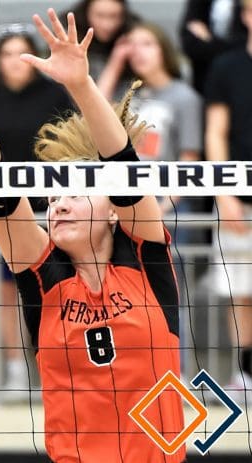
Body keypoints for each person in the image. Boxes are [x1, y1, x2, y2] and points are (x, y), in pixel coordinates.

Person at [0, 11, 184, 462]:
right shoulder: (43, 276)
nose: (58, 204)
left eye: (75, 194)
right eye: (52, 199)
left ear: (115, 211)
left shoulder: (146, 260)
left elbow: (122, 163)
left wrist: (80, 85)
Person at [0, 23, 73, 400]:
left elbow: (71, 150)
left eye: (21, 54)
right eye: (6, 55)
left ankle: (56, 365)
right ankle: (17, 369)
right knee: (3, 290)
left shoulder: (56, 96)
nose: (14, 62)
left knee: (51, 291)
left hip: (48, 211)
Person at [99, 22, 203, 217]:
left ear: (163, 49)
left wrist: (165, 206)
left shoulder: (185, 97)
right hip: (128, 196)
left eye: (147, 44)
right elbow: (94, 111)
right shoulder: (126, 92)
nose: (138, 52)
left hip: (170, 203)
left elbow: (189, 157)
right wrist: (116, 61)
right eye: (133, 46)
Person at [205, 0, 252, 405]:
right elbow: (216, 132)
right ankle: (246, 371)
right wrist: (224, 192)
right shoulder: (228, 67)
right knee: (242, 290)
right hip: (240, 200)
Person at [180, 0, 247, 95]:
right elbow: (189, 43)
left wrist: (209, 39)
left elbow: (243, 45)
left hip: (242, 77)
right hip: (204, 80)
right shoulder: (198, 4)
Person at [67, 0, 139, 82]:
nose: (107, 25)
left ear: (123, 16)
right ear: (86, 13)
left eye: (114, 16)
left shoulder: (133, 34)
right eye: (100, 16)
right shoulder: (68, 38)